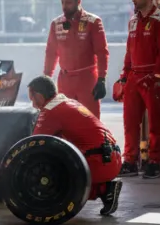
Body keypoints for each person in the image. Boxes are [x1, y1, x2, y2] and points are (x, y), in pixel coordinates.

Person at [27, 75, 123, 215]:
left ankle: (103, 189)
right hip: (112, 158)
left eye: (32, 99)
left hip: (98, 163)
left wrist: (4, 170)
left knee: (51, 175)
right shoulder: (68, 102)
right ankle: (105, 188)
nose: (33, 105)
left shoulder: (50, 111)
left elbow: (31, 146)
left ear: (39, 96)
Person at [115, 0, 160, 179]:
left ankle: (154, 162)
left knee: (156, 124)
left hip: (152, 78)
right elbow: (129, 53)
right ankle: (130, 161)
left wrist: (156, 76)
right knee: (130, 123)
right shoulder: (132, 21)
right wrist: (123, 78)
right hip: (133, 78)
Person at [44, 0, 109, 116]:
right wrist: (46, 79)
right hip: (64, 81)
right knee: (66, 122)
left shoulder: (93, 21)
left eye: (68, 3)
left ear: (78, 2)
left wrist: (102, 79)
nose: (64, 6)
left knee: (90, 121)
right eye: (62, 2)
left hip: (87, 79)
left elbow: (102, 52)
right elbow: (51, 53)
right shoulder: (56, 24)